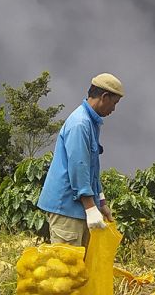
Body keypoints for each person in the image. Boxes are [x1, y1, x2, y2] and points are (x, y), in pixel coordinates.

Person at [36, 73, 123, 246]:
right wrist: (91, 208)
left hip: (78, 208)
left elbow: (92, 170)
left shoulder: (91, 122)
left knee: (80, 267)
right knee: (66, 267)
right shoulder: (80, 124)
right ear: (104, 97)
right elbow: (79, 166)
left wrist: (102, 202)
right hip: (67, 207)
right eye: (114, 103)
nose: (113, 109)